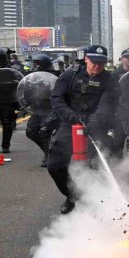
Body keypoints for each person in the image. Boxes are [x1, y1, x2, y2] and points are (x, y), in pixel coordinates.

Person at [48, 45, 112, 214]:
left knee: (96, 166)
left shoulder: (109, 80)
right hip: (70, 125)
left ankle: (96, 204)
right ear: (86, 59)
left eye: (101, 63)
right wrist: (71, 116)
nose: (97, 66)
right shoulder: (70, 75)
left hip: (95, 127)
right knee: (55, 166)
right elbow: (56, 99)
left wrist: (93, 124)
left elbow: (107, 106)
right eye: (94, 62)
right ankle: (72, 196)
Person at [25, 54, 60, 167]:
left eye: (37, 64)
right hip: (38, 107)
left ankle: (49, 155)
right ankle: (47, 151)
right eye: (34, 63)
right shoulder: (32, 76)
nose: (35, 66)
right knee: (31, 131)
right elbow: (27, 90)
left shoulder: (55, 76)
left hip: (51, 107)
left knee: (44, 131)